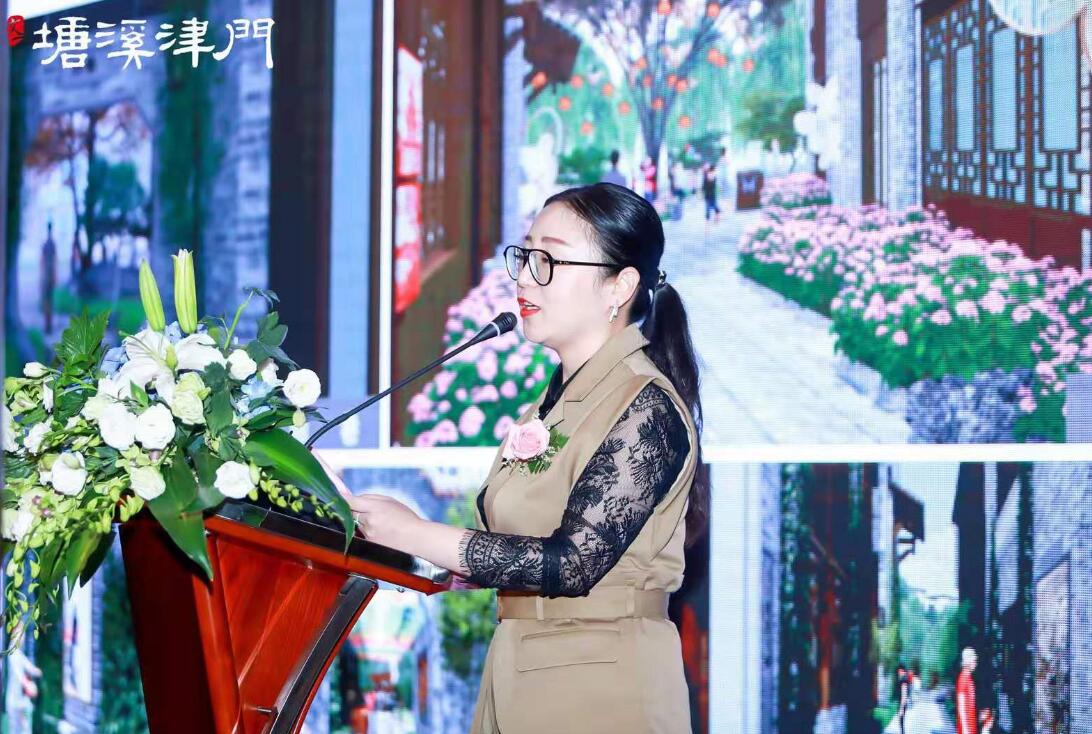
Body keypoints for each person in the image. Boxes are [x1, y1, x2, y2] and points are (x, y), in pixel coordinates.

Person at [326, 182, 706, 733]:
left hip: (602, 690)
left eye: (548, 260)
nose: (525, 277)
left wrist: (413, 531)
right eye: (525, 256)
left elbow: (572, 563)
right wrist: (450, 558)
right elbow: (520, 542)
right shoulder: (552, 404)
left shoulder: (646, 406)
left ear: (619, 286)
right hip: (519, 673)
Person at [956, 647, 978, 734]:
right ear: (967, 661)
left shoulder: (969, 678)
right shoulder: (963, 678)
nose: (975, 663)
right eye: (974, 661)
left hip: (971, 726)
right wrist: (965, 729)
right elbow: (961, 705)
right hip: (967, 729)